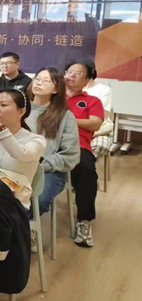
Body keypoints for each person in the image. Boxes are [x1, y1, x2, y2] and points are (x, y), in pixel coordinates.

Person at [26, 67, 80, 250]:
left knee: (39, 199)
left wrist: (42, 164)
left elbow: (71, 155)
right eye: (37, 78)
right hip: (16, 164)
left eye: (46, 80)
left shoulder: (65, 116)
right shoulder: (19, 108)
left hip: (48, 169)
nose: (38, 83)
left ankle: (26, 226)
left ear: (56, 88)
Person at [65, 61, 104, 248]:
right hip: (48, 142)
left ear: (87, 79)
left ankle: (84, 221)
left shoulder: (92, 101)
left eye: (78, 73)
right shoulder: (52, 96)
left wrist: (67, 119)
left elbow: (95, 123)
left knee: (87, 170)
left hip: (77, 144)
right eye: (69, 71)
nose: (72, 75)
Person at [81, 59, 113, 159]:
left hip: (98, 130)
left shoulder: (104, 89)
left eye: (79, 72)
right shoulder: (69, 89)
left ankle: (83, 165)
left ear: (91, 73)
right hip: (73, 128)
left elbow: (100, 116)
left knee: (99, 146)